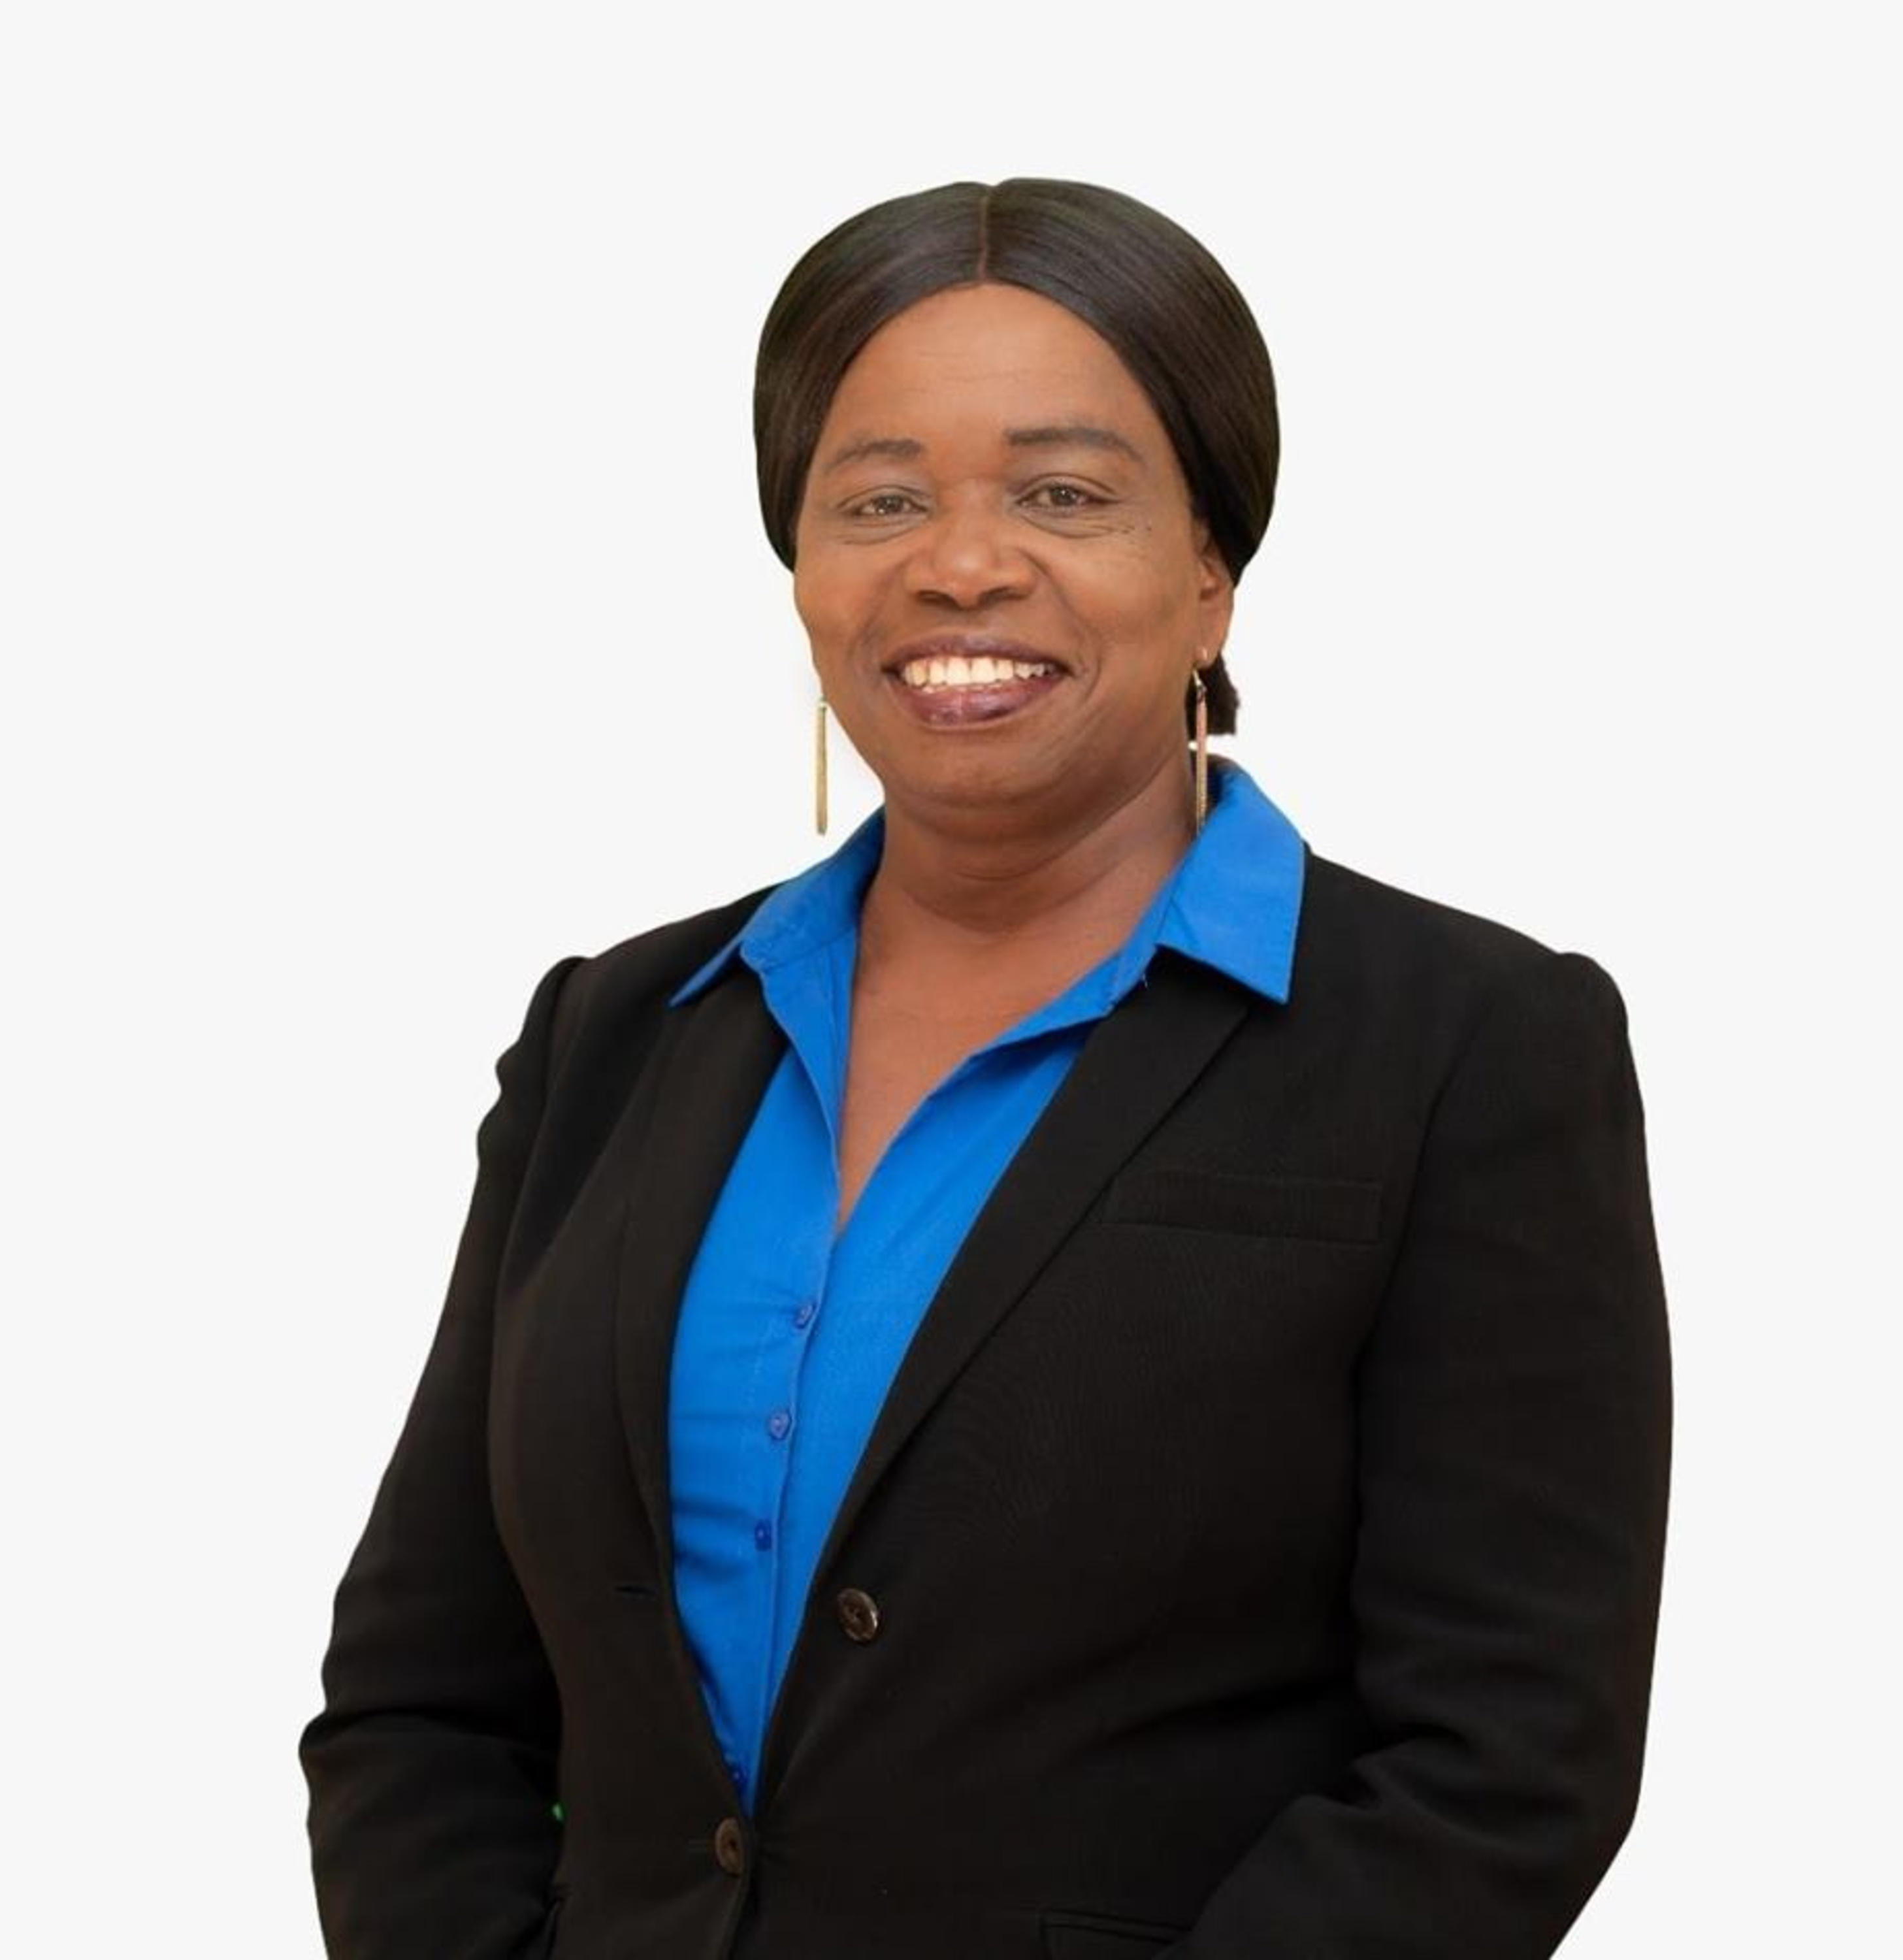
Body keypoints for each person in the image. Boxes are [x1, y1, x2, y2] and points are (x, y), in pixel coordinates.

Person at [298, 178, 1672, 1960]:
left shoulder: (1468, 1046)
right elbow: (420, 1703)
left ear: (1211, 576)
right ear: (802, 570)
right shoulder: (615, 1036)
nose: (960, 562)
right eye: (880, 499)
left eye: (1063, 494)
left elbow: (1502, 1763)